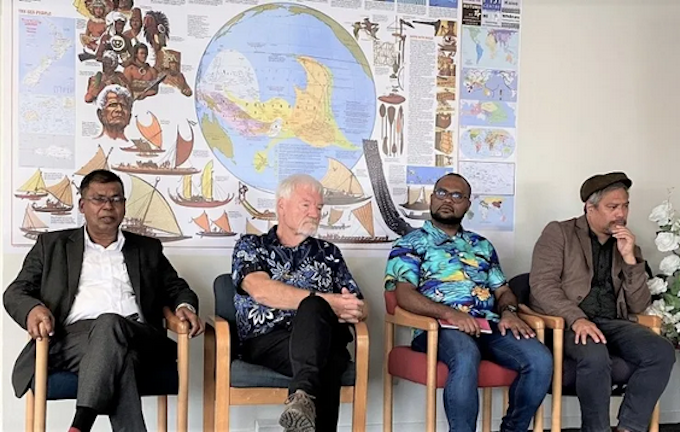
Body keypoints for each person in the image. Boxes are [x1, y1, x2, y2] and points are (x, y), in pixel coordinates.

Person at [3, 169, 204, 432]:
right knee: (123, 360)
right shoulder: (51, 245)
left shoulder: (147, 249)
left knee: (110, 323)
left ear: (123, 205)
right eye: (99, 199)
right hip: (73, 339)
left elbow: (176, 288)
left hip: (139, 335)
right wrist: (33, 309)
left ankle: (80, 424)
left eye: (116, 199)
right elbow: (16, 290)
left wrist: (184, 307)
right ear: (83, 205)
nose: (108, 206)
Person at [385, 173, 553, 432]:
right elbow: (404, 295)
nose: (447, 200)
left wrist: (509, 312)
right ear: (431, 198)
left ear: (467, 204)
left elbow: (503, 291)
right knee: (465, 355)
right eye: (441, 193)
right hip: (438, 329)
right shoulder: (410, 243)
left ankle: (513, 429)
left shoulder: (482, 246)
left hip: (488, 327)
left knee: (540, 359)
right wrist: (450, 315)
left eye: (457, 196)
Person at [530, 172, 675, 432]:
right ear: (590, 208)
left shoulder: (627, 244)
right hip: (568, 323)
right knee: (595, 354)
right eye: (613, 207)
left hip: (612, 322)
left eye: (625, 205)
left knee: (661, 351)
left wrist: (630, 259)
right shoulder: (559, 233)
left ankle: (629, 427)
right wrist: (578, 319)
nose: (621, 214)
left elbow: (638, 304)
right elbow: (542, 286)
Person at [231, 174, 367, 432]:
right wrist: (328, 302)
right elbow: (261, 291)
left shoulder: (329, 253)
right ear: (281, 206)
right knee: (326, 345)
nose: (315, 213)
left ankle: (301, 397)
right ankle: (303, 395)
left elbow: (359, 305)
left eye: (319, 207)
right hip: (269, 340)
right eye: (306, 205)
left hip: (323, 337)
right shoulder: (251, 246)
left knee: (323, 340)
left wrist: (355, 308)